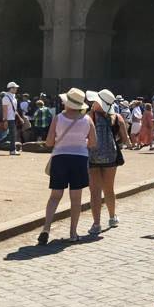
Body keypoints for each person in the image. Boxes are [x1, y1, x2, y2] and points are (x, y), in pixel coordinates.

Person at [39, 88, 97, 245]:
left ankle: (46, 228)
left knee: (55, 196)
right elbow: (93, 143)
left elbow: (49, 142)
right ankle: (72, 232)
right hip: (79, 159)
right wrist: (81, 141)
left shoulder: (59, 118)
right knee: (76, 199)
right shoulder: (87, 119)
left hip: (60, 158)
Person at [85, 90, 129, 235]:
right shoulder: (117, 117)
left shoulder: (89, 116)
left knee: (95, 191)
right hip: (111, 157)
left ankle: (96, 224)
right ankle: (112, 217)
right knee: (109, 189)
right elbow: (125, 139)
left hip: (92, 156)